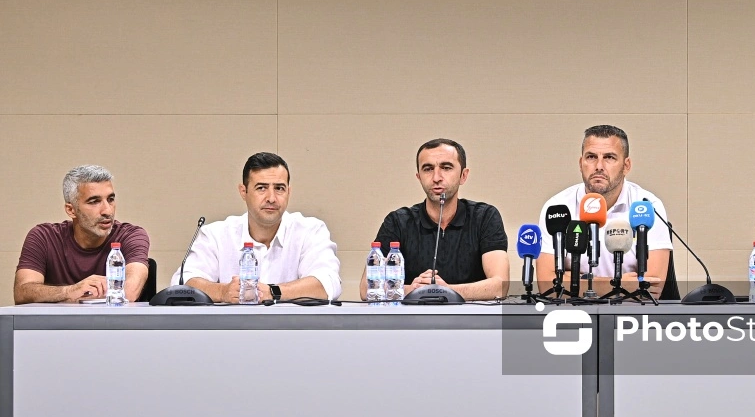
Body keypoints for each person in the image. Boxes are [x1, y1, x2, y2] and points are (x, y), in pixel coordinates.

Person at [174, 152, 341, 303]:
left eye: (279, 188)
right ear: (243, 191)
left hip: (293, 332)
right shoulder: (215, 235)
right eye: (261, 188)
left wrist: (272, 291)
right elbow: (183, 283)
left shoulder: (310, 231)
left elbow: (327, 283)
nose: (271, 198)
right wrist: (222, 291)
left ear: (289, 192)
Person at [362, 139, 509, 301]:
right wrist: (413, 289)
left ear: (463, 176)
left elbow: (501, 285)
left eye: (446, 168)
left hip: (471, 322)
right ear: (418, 177)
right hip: (411, 323)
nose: (436, 177)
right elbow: (365, 289)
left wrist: (445, 291)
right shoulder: (398, 221)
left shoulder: (485, 217)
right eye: (428, 169)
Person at [536, 125, 672, 293]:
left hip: (631, 315)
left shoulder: (647, 205)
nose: (599, 166)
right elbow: (547, 286)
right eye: (591, 157)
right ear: (581, 163)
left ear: (626, 165)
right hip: (575, 312)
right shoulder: (557, 208)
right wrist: (618, 284)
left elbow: (652, 289)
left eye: (609, 157)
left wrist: (577, 281)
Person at [14, 165, 151, 303]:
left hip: (113, 324)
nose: (107, 211)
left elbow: (129, 292)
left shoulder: (132, 235)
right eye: (94, 202)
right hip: (57, 325)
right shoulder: (43, 237)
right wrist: (70, 291)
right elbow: (22, 293)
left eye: (110, 199)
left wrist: (70, 298)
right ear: (71, 210)